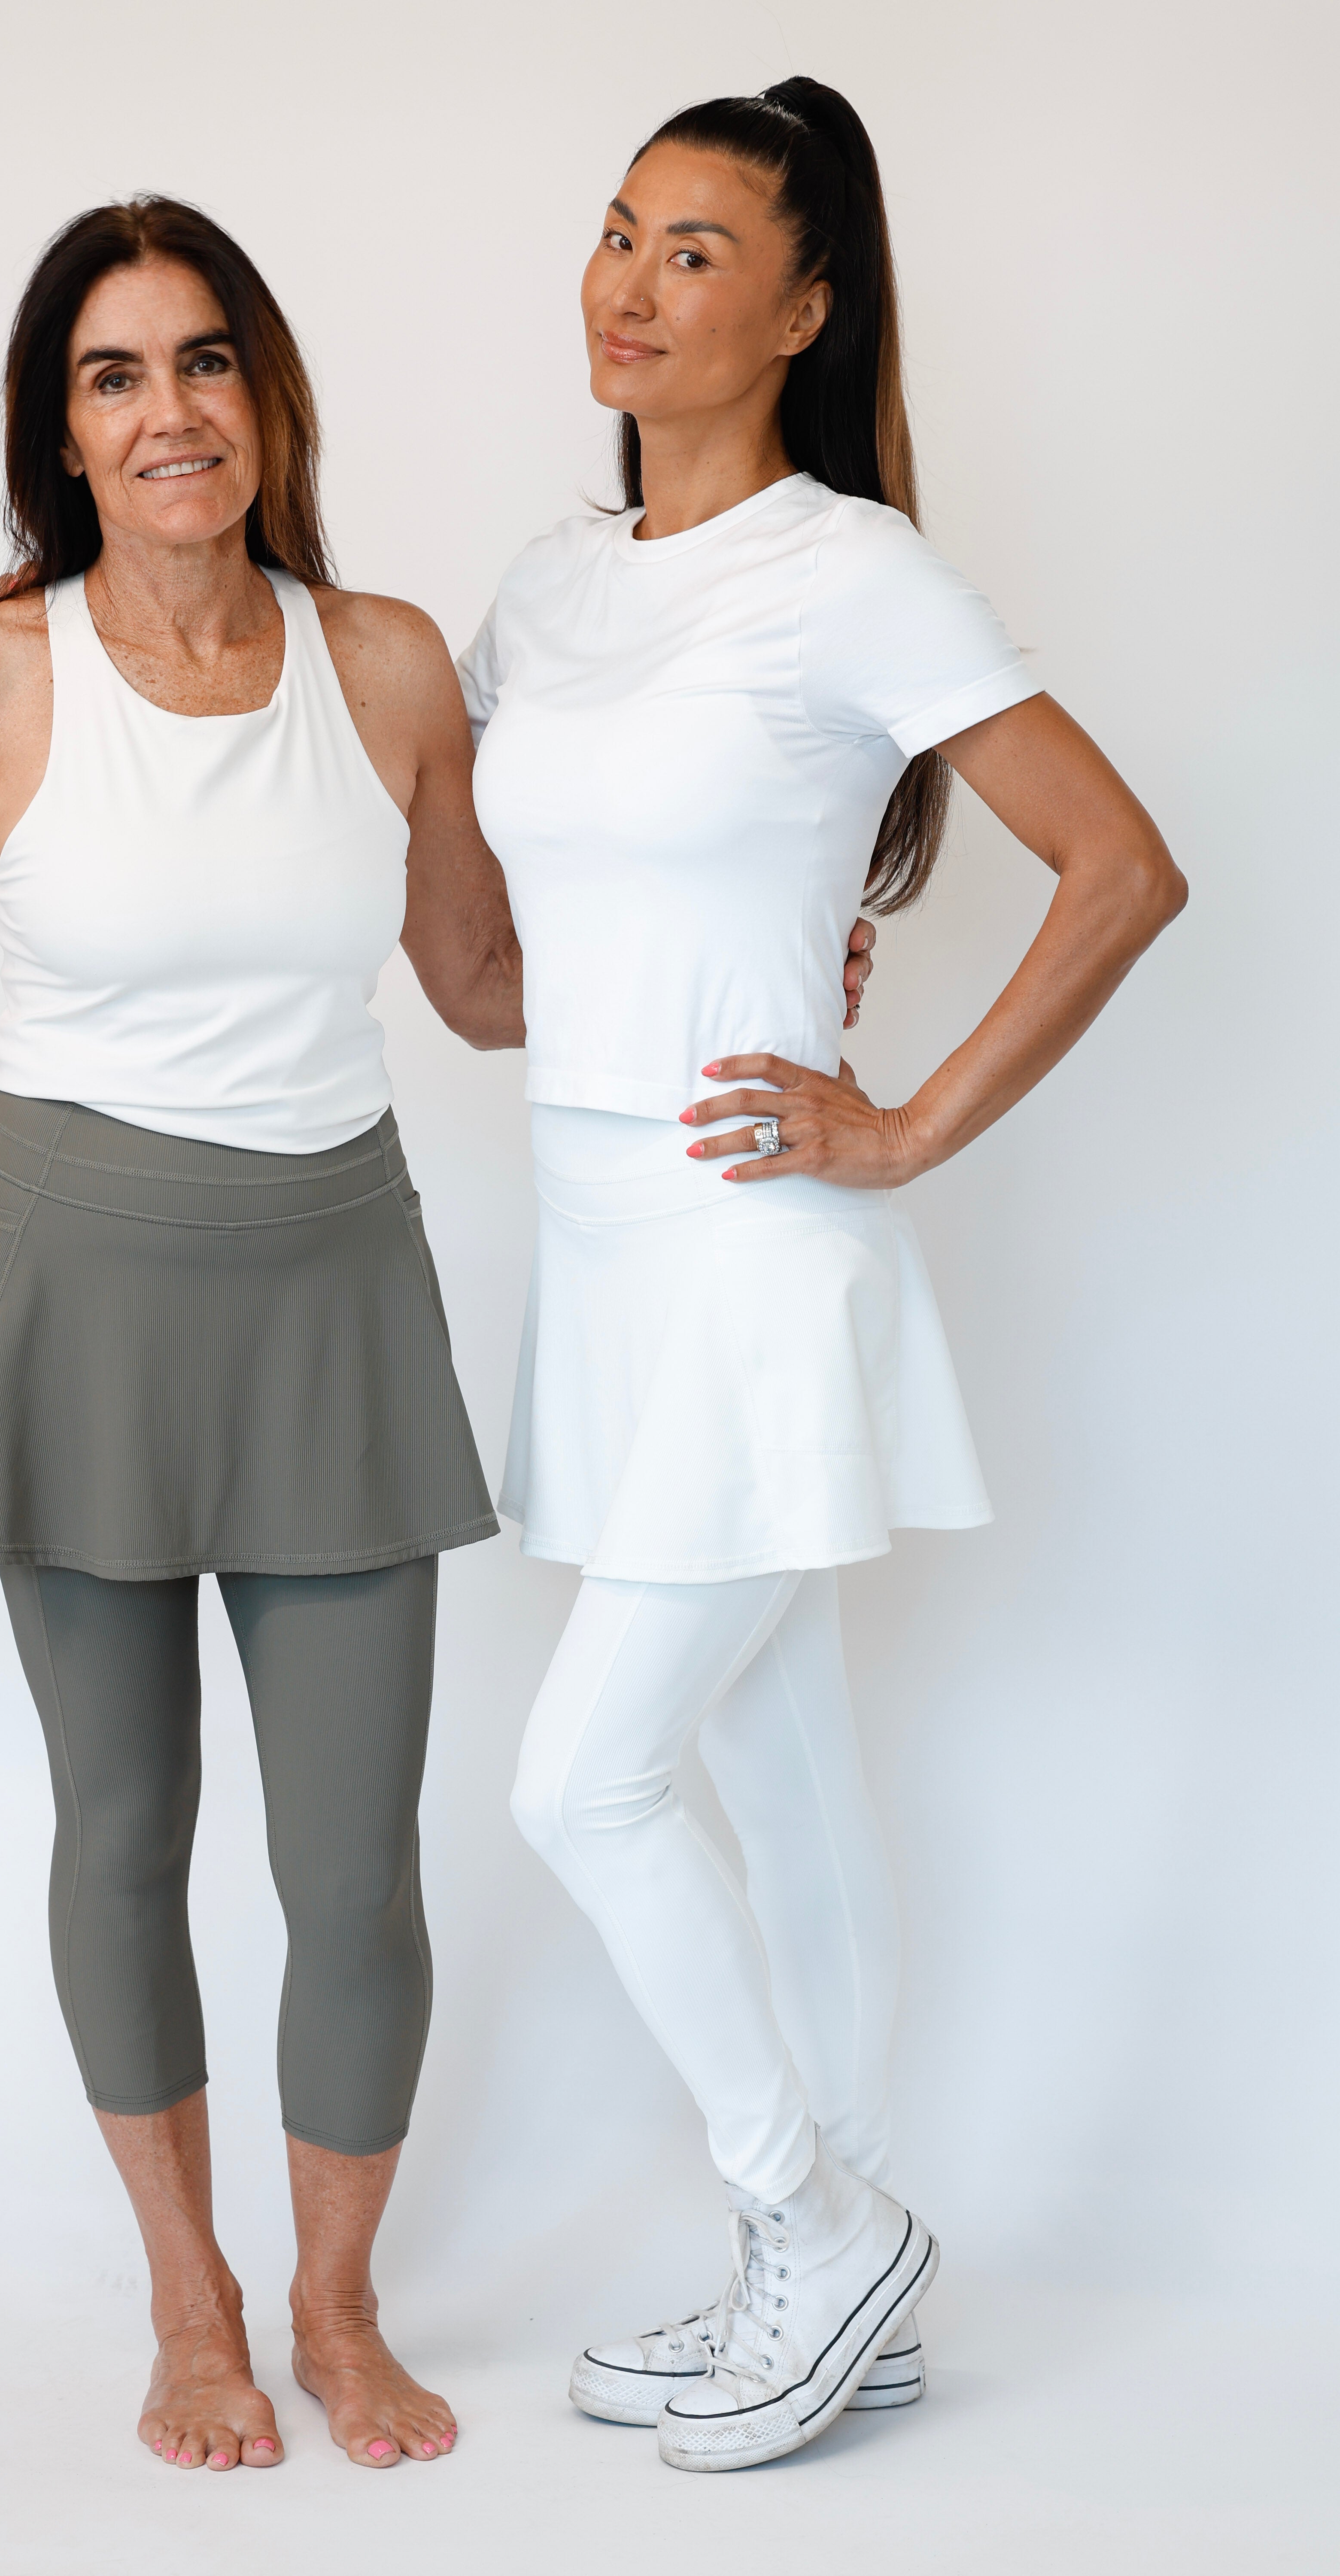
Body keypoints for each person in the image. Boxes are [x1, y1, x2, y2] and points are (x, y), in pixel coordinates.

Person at [0, 196, 528, 2477]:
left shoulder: (382, 663)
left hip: (335, 1294)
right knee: (123, 1827)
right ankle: (191, 2306)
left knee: (356, 1859)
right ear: (62, 435)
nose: (166, 409)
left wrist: (758, 985)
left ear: (266, 398)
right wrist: (30, 1112)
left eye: (201, 362)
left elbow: (479, 991)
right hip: (71, 1292)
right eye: (112, 375)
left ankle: (335, 2305)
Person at [460, 78, 1186, 2472]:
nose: (632, 287)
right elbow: (494, 958)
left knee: (591, 1778)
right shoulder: (550, 592)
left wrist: (902, 1125)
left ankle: (814, 2206)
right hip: (596, 1246)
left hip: (757, 1251)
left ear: (801, 306)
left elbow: (1116, 867)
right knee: (763, 1766)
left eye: (695, 252)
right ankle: (829, 2278)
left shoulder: (849, 568)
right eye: (616, 234)